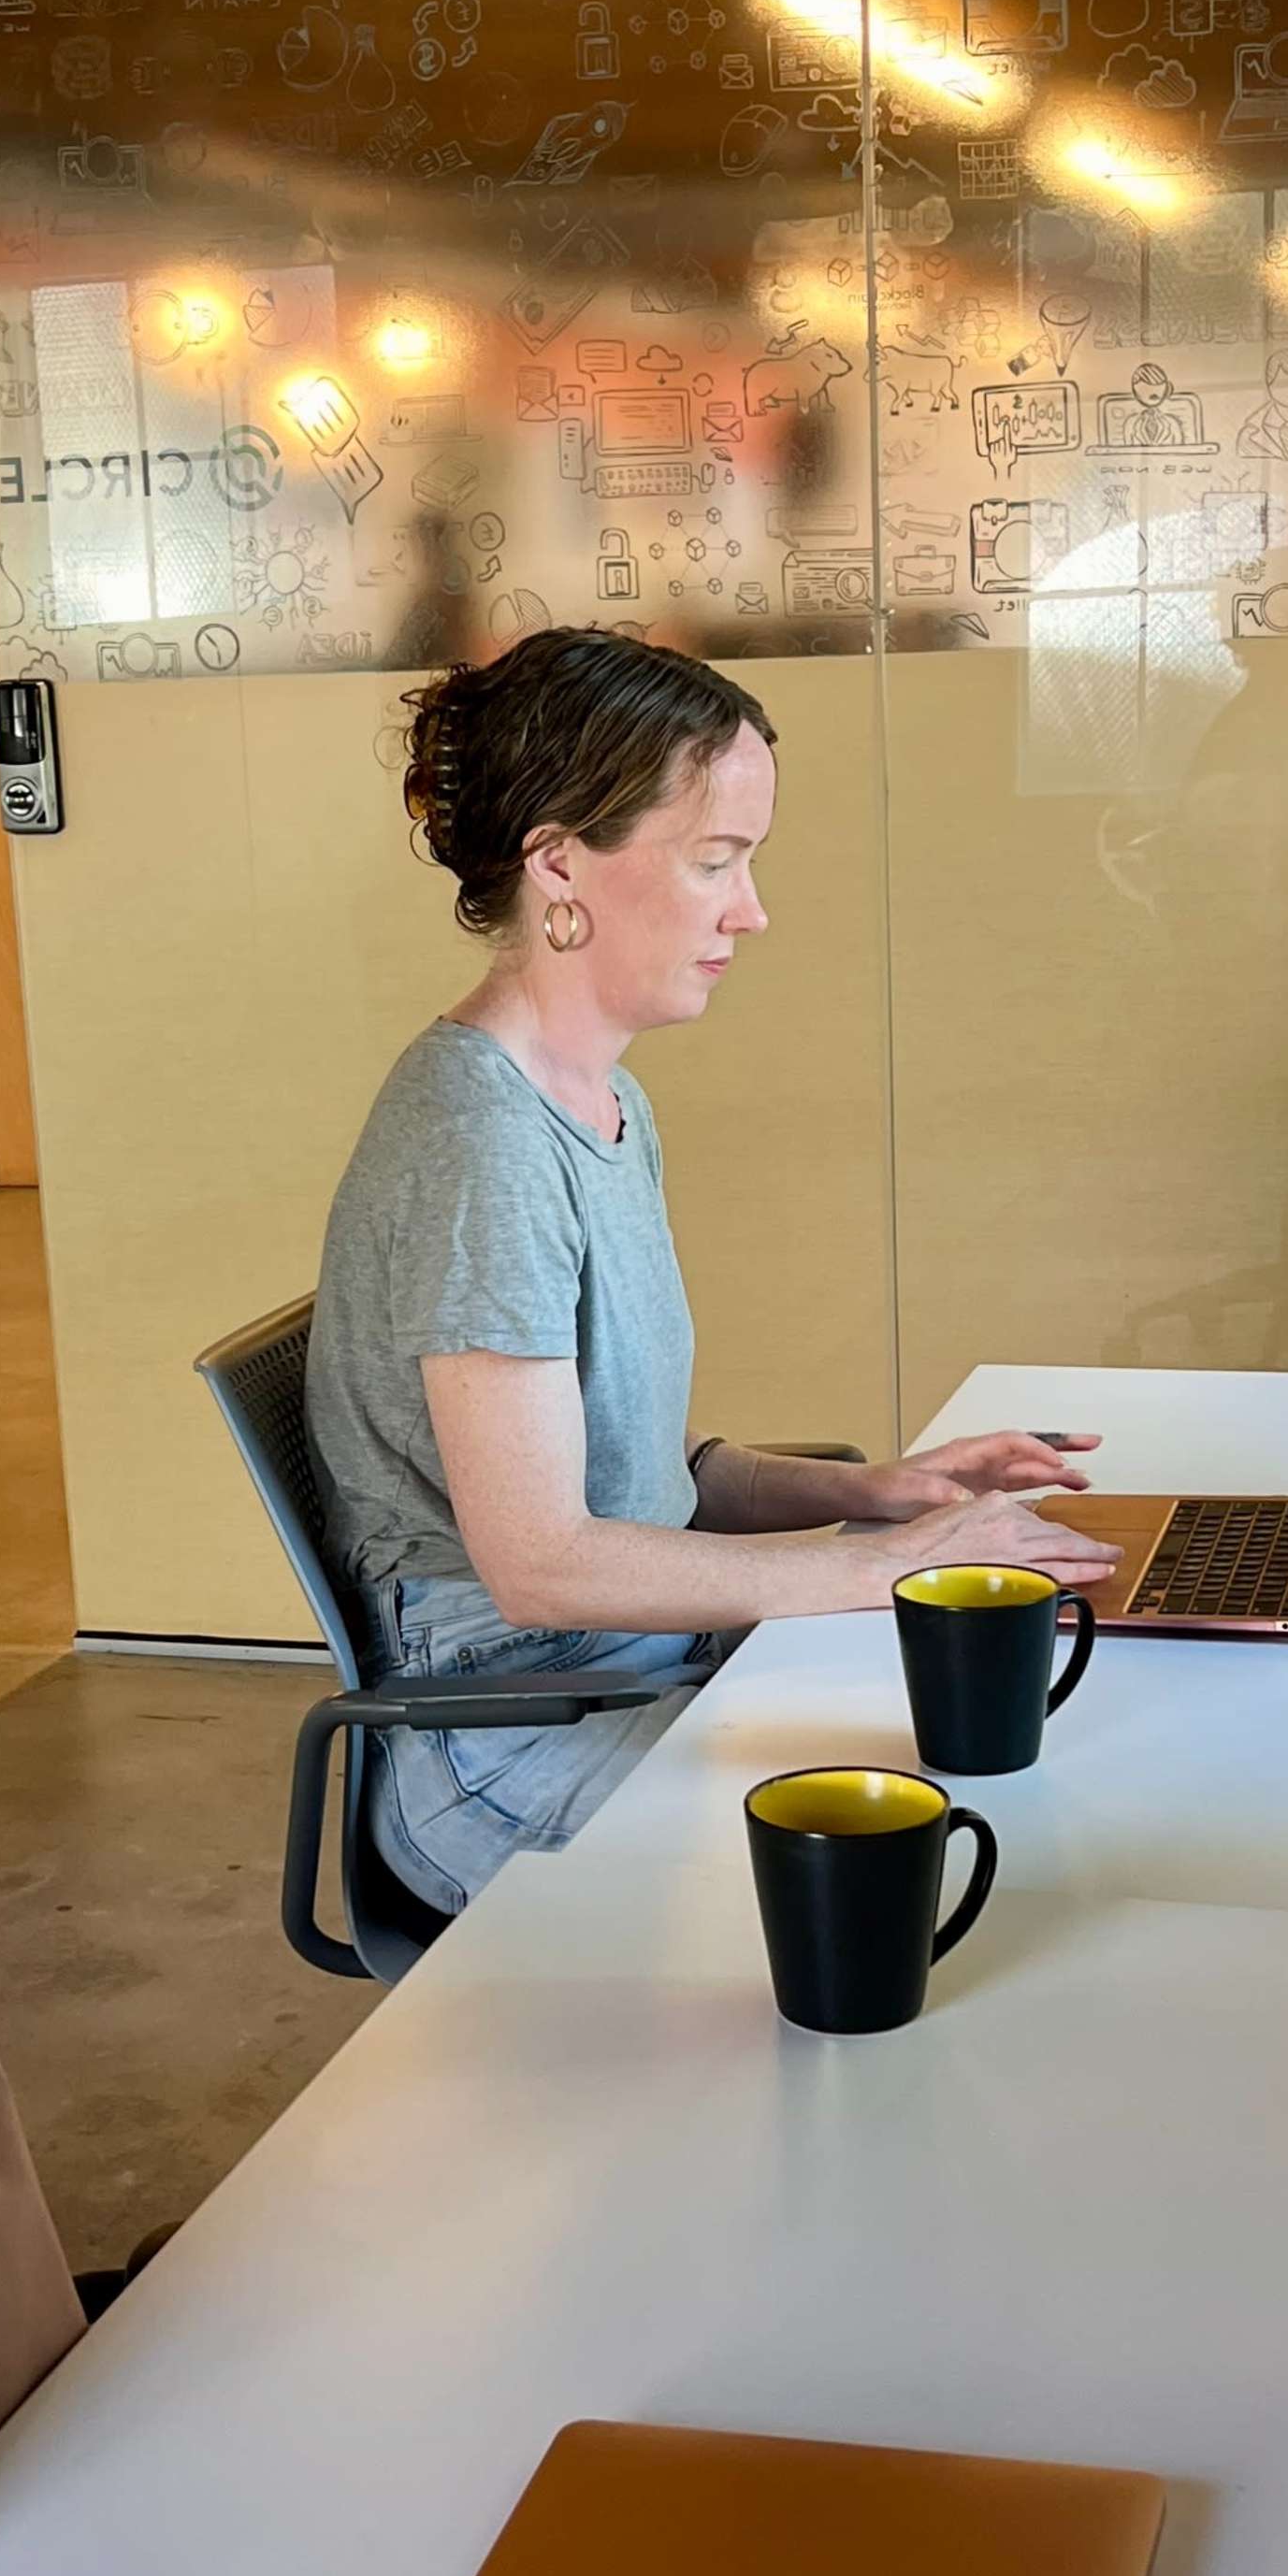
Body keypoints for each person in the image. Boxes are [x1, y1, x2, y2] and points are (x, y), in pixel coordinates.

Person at [306, 625, 1110, 1918]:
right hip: (510, 1731)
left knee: (1025, 1796)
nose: (752, 910)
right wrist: (863, 1568)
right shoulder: (480, 1149)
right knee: (958, 1859)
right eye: (714, 863)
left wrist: (874, 1491)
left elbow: (643, 1474)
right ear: (560, 862)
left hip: (637, 1660)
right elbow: (544, 1563)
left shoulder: (599, 1101)